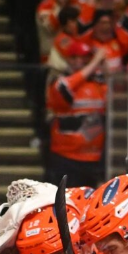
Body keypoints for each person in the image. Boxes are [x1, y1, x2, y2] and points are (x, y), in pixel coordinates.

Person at [46, 43, 108, 188]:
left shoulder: (97, 84)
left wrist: (104, 67)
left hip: (94, 159)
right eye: (81, 58)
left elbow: (115, 96)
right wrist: (94, 63)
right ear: (71, 60)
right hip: (66, 158)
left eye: (88, 58)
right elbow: (64, 89)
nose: (86, 62)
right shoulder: (59, 82)